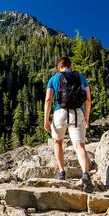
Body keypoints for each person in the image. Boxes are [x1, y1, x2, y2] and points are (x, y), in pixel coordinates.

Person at [43, 57, 95, 193]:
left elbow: (48, 99)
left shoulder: (54, 78)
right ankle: (85, 174)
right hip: (77, 113)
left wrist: (46, 119)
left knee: (57, 142)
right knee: (79, 145)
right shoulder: (80, 76)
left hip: (60, 113)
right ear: (70, 66)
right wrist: (87, 117)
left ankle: (61, 172)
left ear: (59, 66)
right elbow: (88, 99)